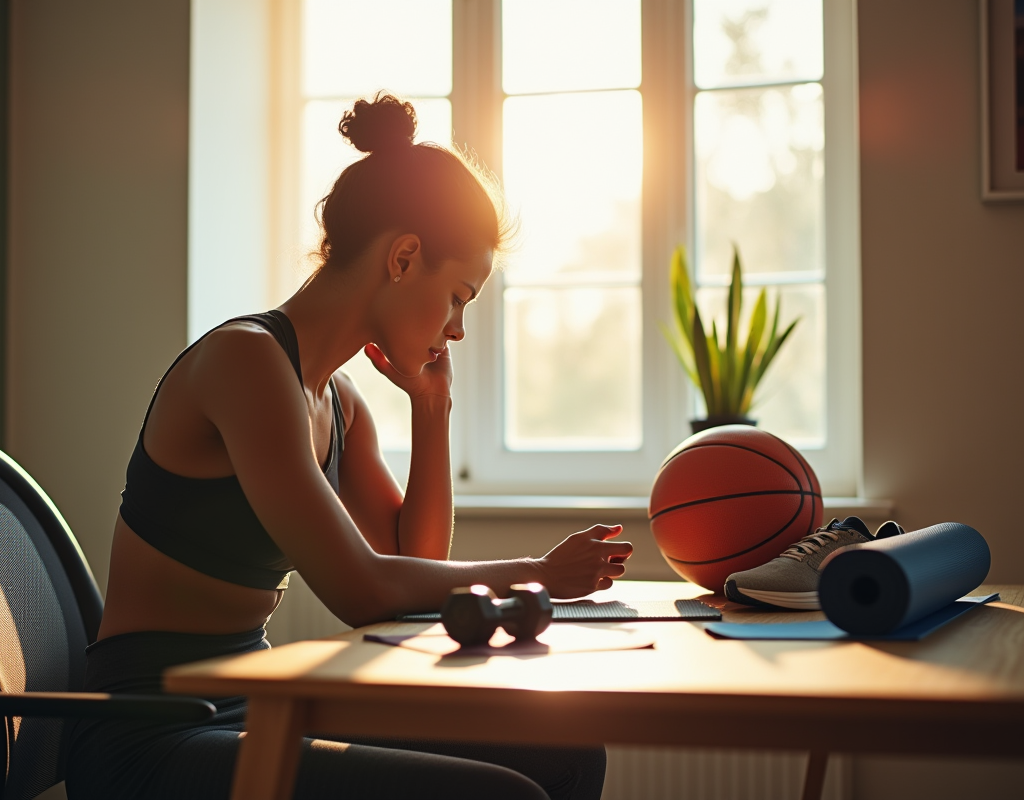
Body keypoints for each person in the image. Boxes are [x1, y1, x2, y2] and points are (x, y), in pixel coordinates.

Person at [66, 93, 633, 800]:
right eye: (458, 296)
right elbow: (362, 590)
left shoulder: (337, 401)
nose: (456, 329)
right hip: (151, 737)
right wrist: (538, 572)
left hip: (253, 707)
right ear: (402, 257)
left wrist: (432, 412)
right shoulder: (245, 363)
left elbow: (412, 575)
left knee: (562, 751)